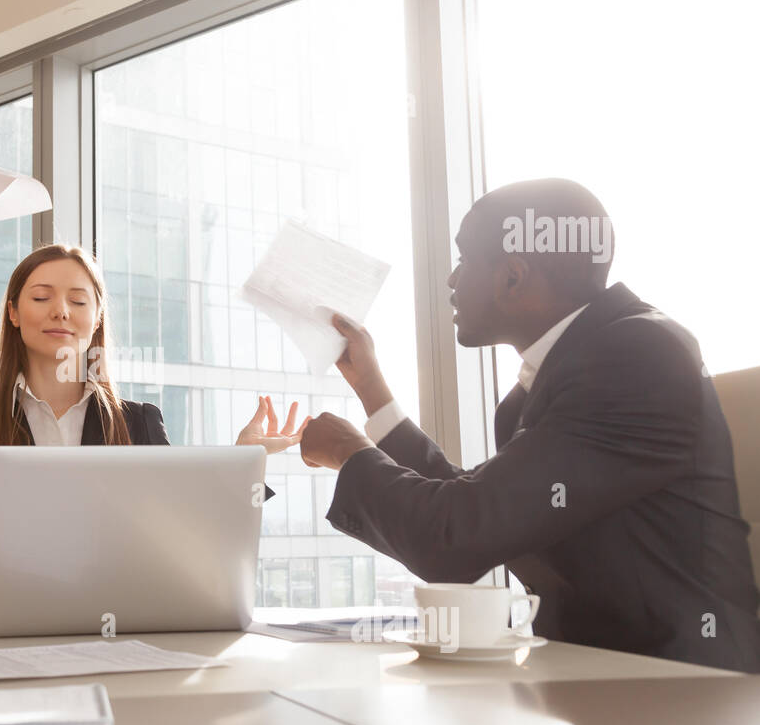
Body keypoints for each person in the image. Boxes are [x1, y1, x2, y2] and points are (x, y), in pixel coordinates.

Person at [298, 177, 760, 673]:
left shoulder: (638, 356)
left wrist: (351, 453)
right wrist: (372, 389)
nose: (452, 281)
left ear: (513, 277)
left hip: (689, 692)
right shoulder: (531, 394)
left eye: (463, 261)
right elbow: (480, 510)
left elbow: (455, 537)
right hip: (589, 681)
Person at [0, 243, 303, 607]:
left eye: (78, 300)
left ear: (95, 320)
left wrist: (247, 460)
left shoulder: (139, 422)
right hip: (11, 636)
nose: (60, 311)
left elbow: (183, 544)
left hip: (126, 628)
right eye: (41, 297)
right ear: (13, 313)